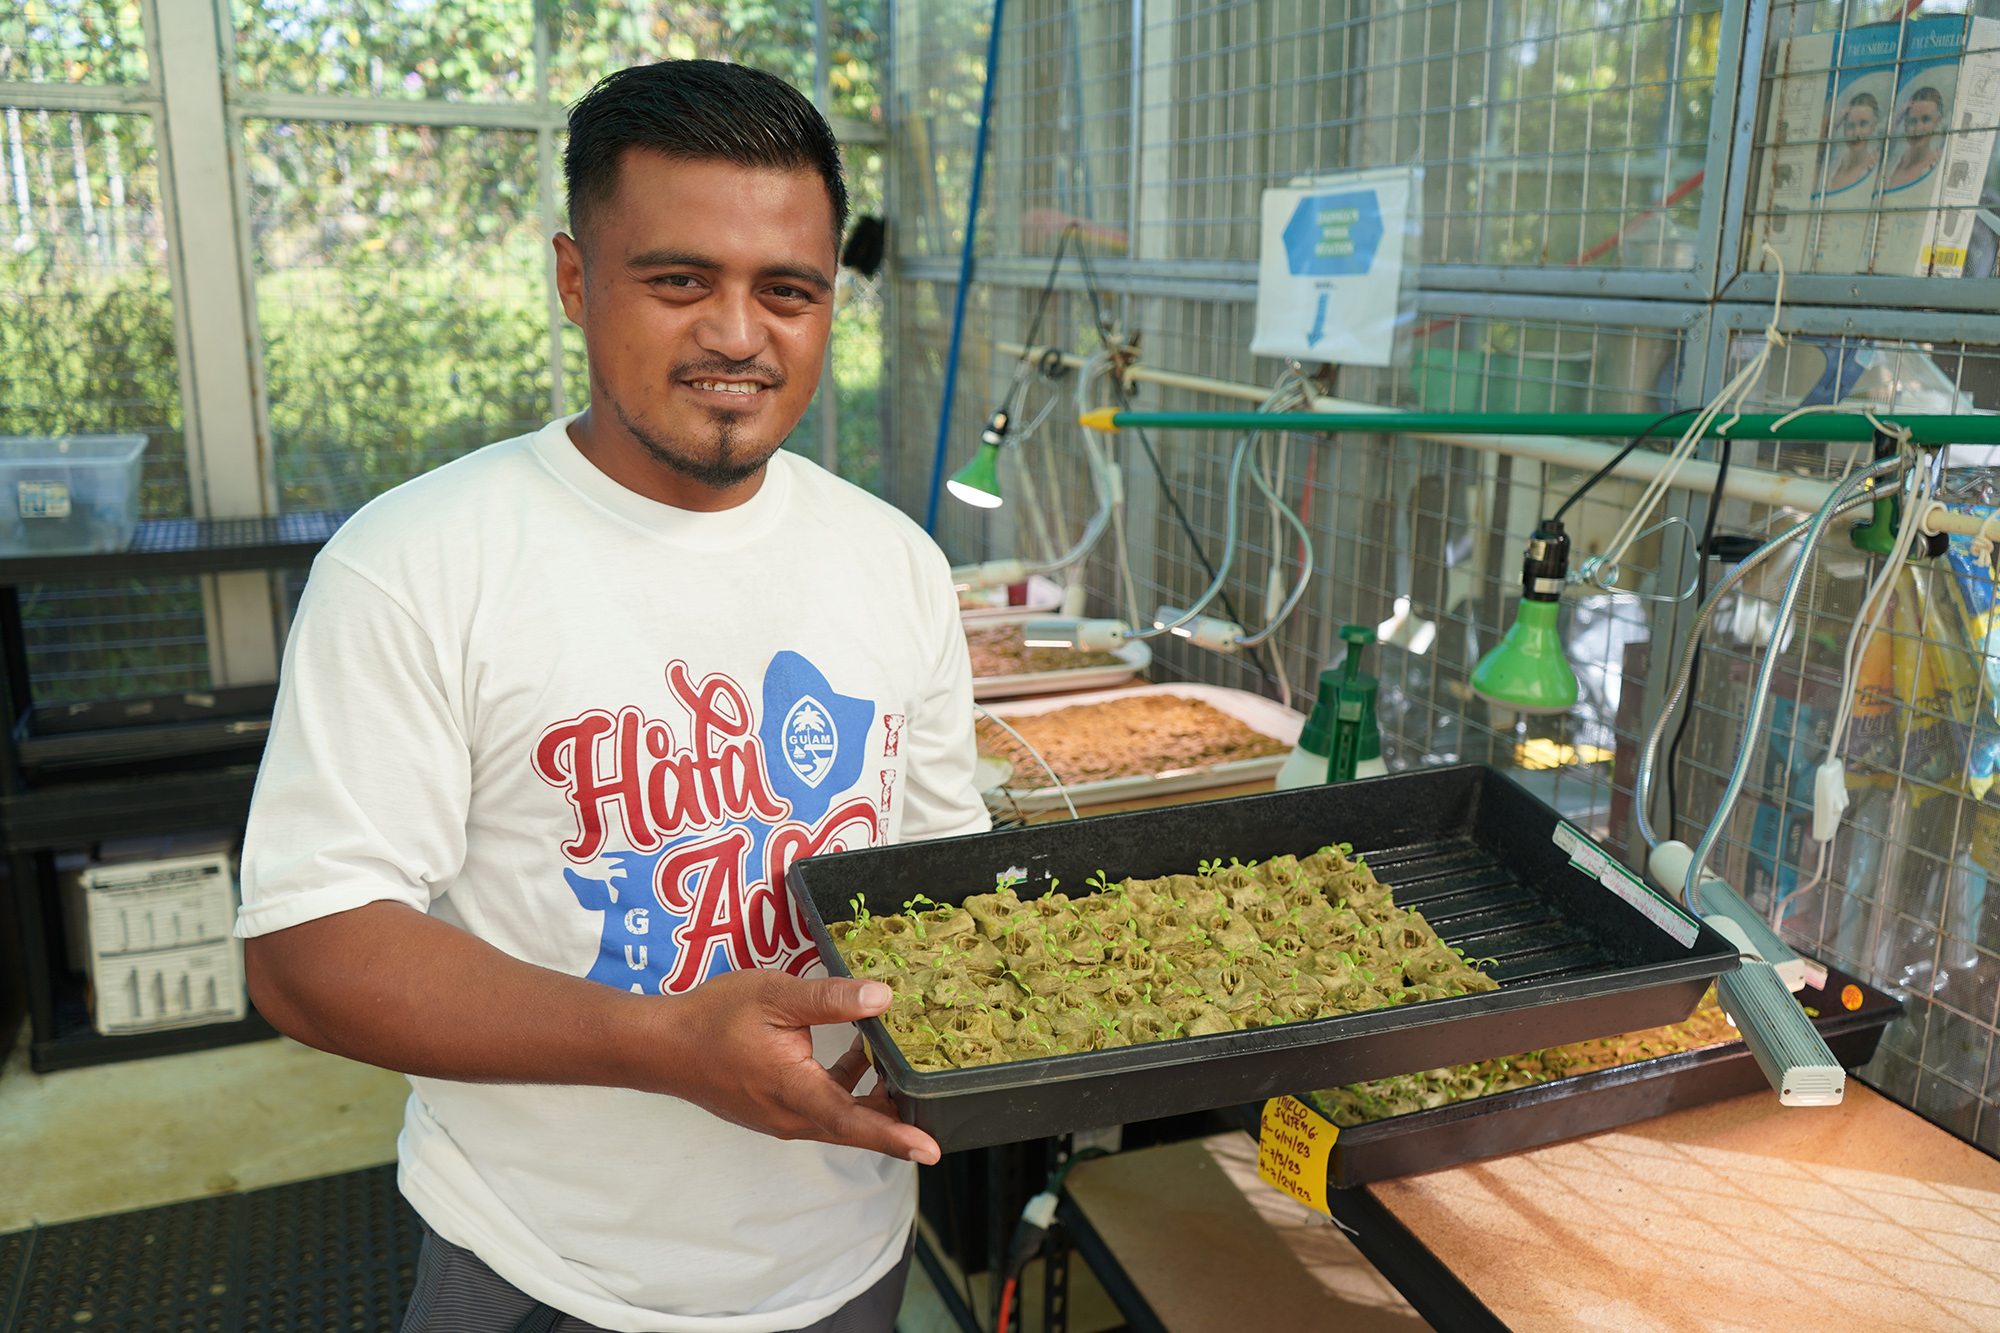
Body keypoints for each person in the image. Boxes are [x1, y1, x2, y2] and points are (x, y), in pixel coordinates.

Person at [235, 59, 988, 1333]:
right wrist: (666, 1044)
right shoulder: (419, 560)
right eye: (679, 280)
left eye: (786, 291)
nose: (738, 335)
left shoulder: (894, 559)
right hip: (547, 1267)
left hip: (848, 1251)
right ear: (576, 280)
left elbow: (935, 876)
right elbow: (309, 952)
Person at [1819, 90, 1881, 197]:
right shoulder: (1833, 165)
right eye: (1850, 125)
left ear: (1874, 124)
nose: (1856, 133)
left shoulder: (1874, 169)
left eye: (1863, 124)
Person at [1885, 86, 1946, 191]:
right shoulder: (1891, 163)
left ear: (1938, 121)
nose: (1918, 129)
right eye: (1912, 121)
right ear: (1904, 123)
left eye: (1926, 119)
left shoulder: (1934, 168)